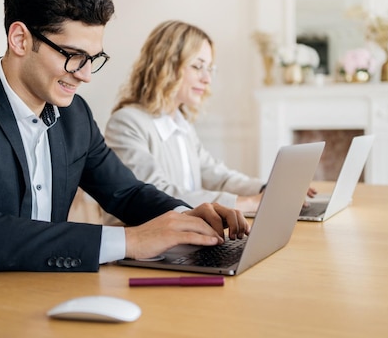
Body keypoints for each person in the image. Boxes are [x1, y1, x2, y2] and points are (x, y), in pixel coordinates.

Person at [0, 0, 248, 282]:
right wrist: (132, 240)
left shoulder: (74, 115)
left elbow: (126, 192)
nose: (84, 75)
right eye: (73, 56)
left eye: (92, 59)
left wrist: (187, 217)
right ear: (20, 39)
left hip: (37, 291)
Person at [104, 20, 316, 221]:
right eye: (197, 66)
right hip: (144, 245)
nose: (207, 79)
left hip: (182, 237)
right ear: (166, 65)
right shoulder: (127, 122)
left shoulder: (181, 124)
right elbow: (157, 194)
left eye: (209, 68)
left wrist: (268, 188)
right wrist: (249, 203)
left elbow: (217, 175)